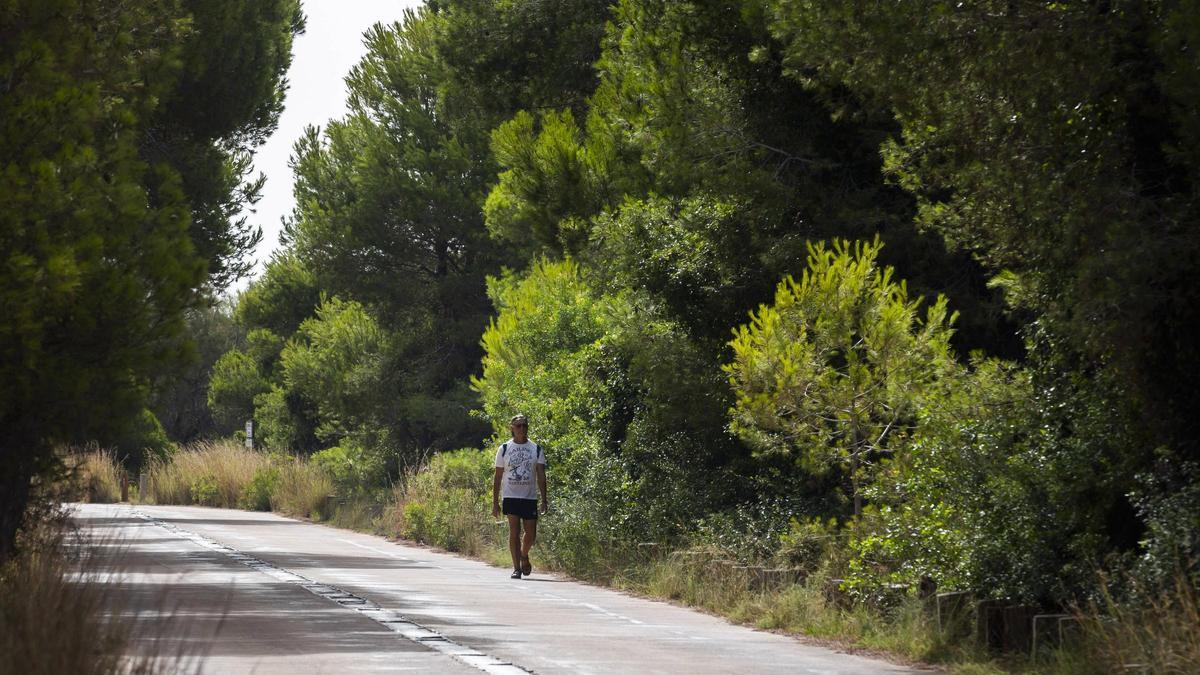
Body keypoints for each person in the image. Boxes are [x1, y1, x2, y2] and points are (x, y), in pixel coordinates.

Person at [492, 414, 547, 578]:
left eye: (524, 425)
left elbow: (541, 475)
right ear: (512, 428)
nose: (522, 428)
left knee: (531, 533)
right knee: (514, 531)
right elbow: (497, 476)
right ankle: (516, 568)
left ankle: (524, 554)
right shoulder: (504, 449)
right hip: (510, 496)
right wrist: (495, 502)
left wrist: (544, 499)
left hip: (529, 497)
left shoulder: (536, 449)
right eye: (518, 426)